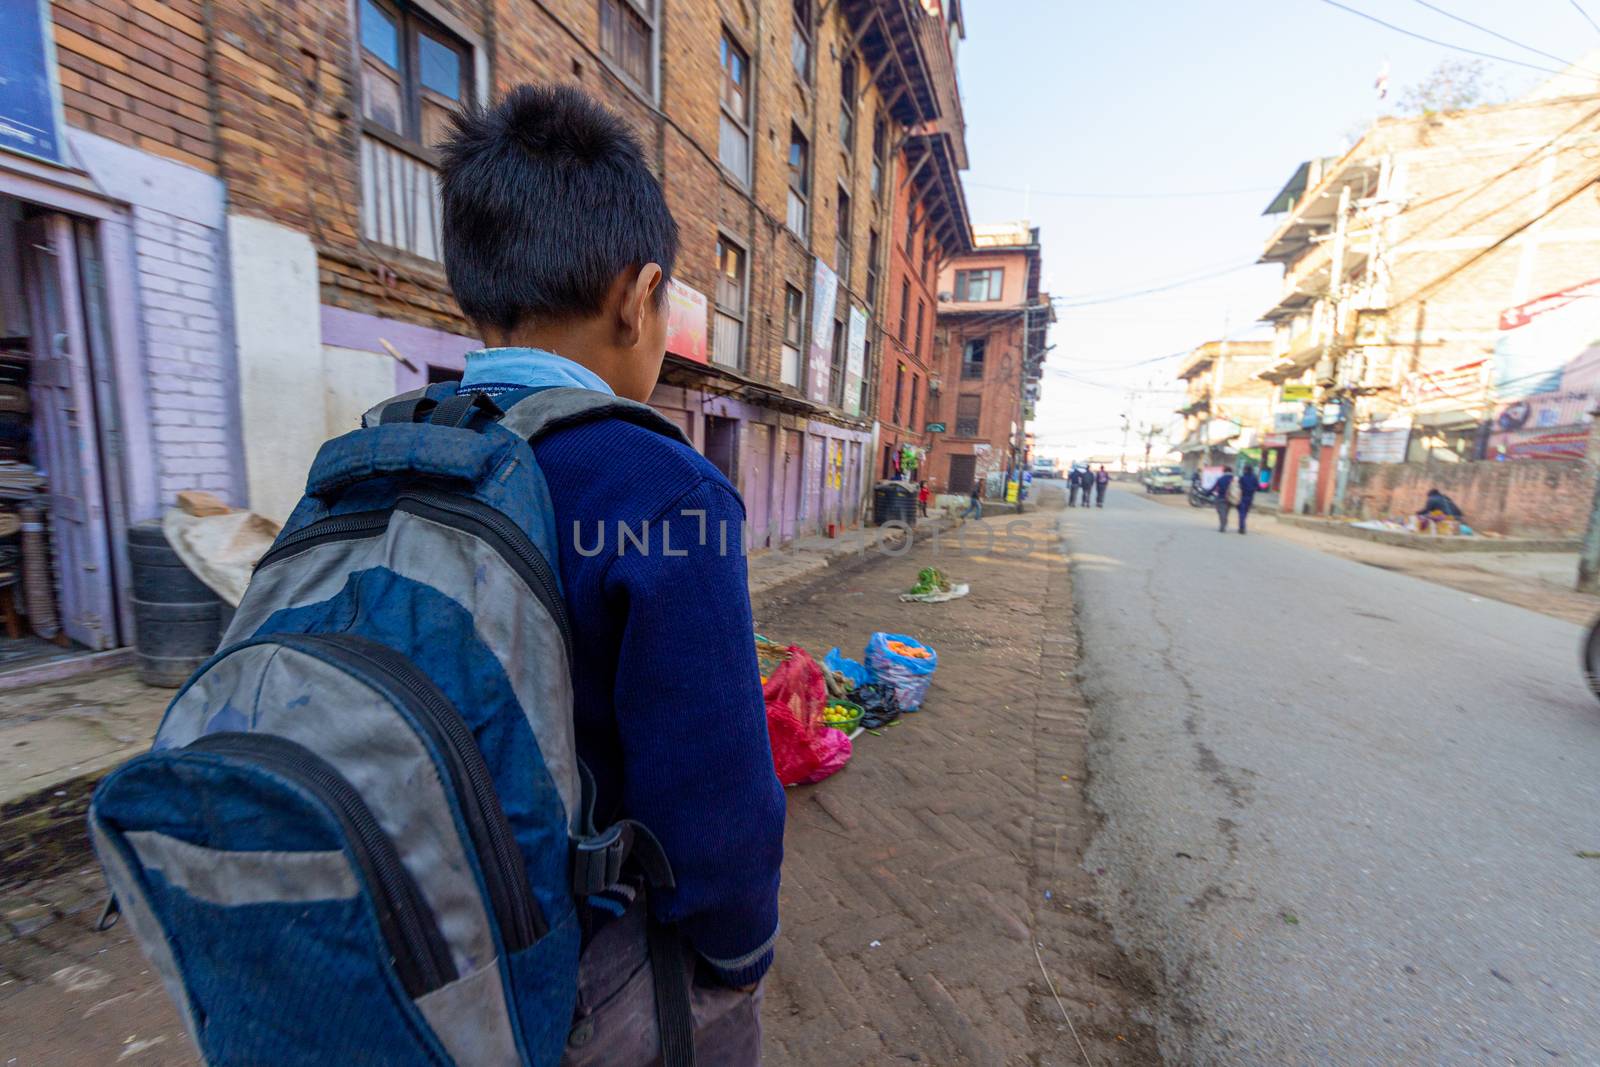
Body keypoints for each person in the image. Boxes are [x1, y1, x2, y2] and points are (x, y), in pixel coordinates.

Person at [437, 86, 782, 1063]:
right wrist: (740, 948)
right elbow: (715, 803)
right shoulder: (663, 491)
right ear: (638, 298)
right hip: (573, 965)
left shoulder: (381, 458)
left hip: (420, 943)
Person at [1236, 463, 1259, 534]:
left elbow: (1238, 486)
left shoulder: (1242, 477)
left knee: (1241, 513)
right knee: (1245, 512)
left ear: (1245, 469)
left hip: (1242, 497)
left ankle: (1242, 527)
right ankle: (1242, 526)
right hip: (1250, 498)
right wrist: (1253, 489)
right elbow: (1258, 487)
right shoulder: (1254, 478)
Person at [1212, 464, 1236, 532]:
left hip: (1221, 497)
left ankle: (1223, 526)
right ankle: (1224, 524)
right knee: (1226, 512)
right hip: (1231, 498)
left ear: (1224, 471)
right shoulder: (1234, 479)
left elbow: (1214, 487)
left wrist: (1207, 493)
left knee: (1221, 512)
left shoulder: (1221, 478)